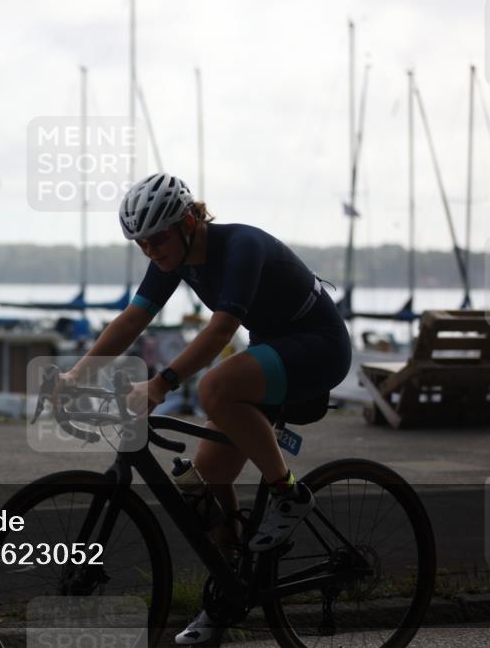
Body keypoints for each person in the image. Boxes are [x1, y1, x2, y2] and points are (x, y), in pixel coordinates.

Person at [57, 172, 352, 645]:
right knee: (205, 491)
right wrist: (76, 375)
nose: (151, 251)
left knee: (214, 386)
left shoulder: (241, 247)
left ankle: (288, 492)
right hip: (272, 351)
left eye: (157, 239)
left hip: (318, 347)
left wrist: (162, 382)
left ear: (191, 219)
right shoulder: (171, 255)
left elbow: (221, 330)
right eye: (141, 244)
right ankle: (228, 597)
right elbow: (133, 318)